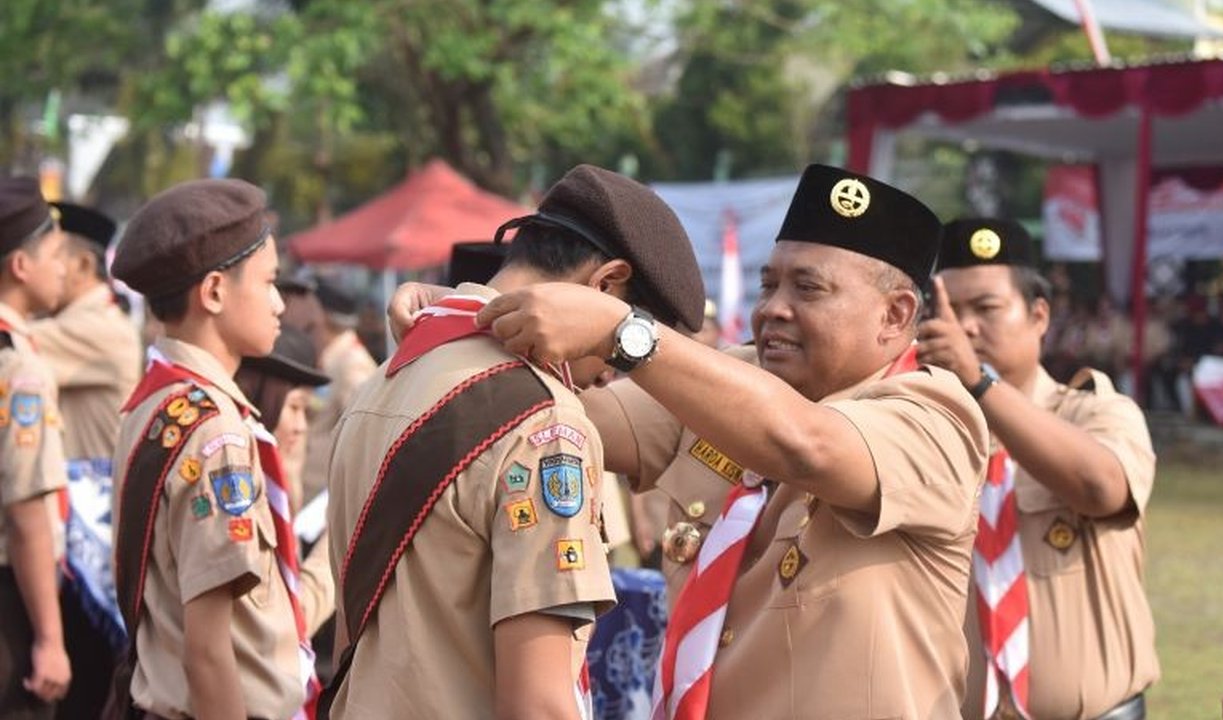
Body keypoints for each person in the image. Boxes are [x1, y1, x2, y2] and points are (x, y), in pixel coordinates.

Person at [459, 164, 990, 719]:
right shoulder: (728, 378)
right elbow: (555, 418)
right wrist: (461, 324)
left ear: (895, 314)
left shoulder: (936, 416)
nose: (773, 308)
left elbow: (805, 445)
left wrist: (623, 332)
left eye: (807, 288)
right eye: (768, 284)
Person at [322, 164, 705, 720]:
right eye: (624, 347)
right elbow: (540, 704)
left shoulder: (390, 373)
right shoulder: (547, 423)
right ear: (604, 287)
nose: (611, 376)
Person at [916, 217, 1158, 719]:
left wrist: (980, 384)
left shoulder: (1095, 411)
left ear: (1040, 316)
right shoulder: (928, 433)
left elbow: (1101, 486)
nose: (966, 328)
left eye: (986, 309)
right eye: (950, 311)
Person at [109, 179, 311, 720]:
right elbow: (207, 652)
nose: (279, 304)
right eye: (269, 282)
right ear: (215, 291)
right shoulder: (215, 430)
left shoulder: (155, 402)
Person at [26, 201, 142, 720]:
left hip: (84, 547)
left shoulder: (98, 327)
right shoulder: (85, 321)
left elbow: (15, 346)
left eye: (53, 255)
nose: (46, 268)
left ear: (79, 266)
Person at [0, 178, 72, 718]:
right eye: (55, 253)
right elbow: (26, 511)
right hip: (12, 603)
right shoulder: (20, 369)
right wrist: (49, 639)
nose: (64, 267)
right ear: (20, 266)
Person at [233, 325, 333, 640]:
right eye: (294, 408)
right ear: (266, 401)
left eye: (307, 412)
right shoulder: (242, 487)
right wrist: (336, 548)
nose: (301, 427)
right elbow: (286, 624)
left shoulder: (275, 476)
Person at [291, 277, 376, 504]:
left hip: (325, 498)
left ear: (322, 315)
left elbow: (361, 439)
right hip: (312, 489)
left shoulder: (352, 364)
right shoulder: (332, 356)